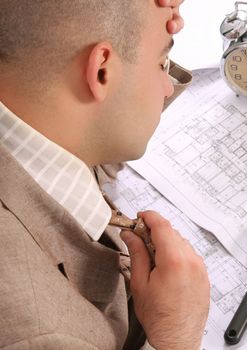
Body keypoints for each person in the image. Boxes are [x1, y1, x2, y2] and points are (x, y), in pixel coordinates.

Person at [0, 1, 210, 349]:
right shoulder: (40, 334)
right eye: (162, 64)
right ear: (100, 72)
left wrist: (140, 27)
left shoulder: (26, 96)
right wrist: (177, 335)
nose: (168, 87)